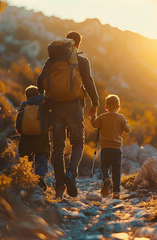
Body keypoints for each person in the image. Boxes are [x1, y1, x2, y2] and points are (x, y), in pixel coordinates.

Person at [37, 31, 99, 198]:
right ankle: (71, 173)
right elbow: (88, 81)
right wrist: (95, 103)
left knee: (57, 147)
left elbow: (39, 80)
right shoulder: (82, 61)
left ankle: (59, 188)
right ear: (78, 44)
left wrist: (44, 98)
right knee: (78, 142)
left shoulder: (51, 61)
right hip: (75, 106)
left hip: (55, 107)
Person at [90, 94, 131, 199]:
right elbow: (127, 130)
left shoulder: (102, 117)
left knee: (104, 166)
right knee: (116, 170)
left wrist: (93, 116)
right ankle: (116, 192)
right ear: (118, 107)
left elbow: (94, 124)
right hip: (116, 149)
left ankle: (106, 179)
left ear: (106, 107)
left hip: (105, 148)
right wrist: (126, 123)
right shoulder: (121, 117)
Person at [17, 85, 50, 191]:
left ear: (26, 97)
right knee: (42, 159)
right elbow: (49, 123)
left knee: (27, 160)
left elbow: (18, 127)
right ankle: (39, 178)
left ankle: (28, 181)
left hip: (26, 140)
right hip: (41, 139)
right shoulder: (44, 106)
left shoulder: (23, 107)